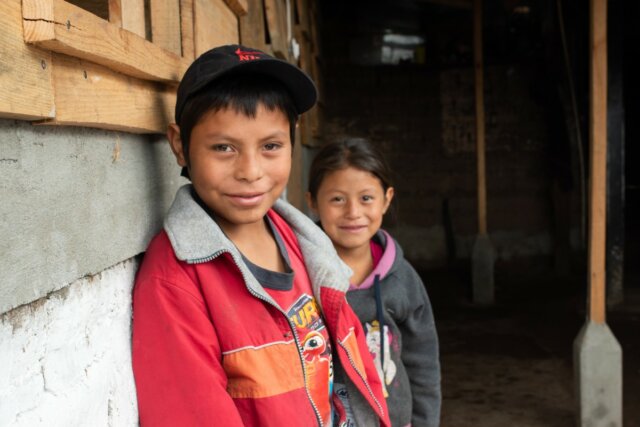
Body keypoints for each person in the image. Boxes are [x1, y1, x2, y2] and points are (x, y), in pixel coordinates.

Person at [131, 45, 390, 427]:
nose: (250, 171)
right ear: (180, 146)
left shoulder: (301, 241)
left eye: (270, 146)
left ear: (291, 139)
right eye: (223, 148)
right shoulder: (175, 282)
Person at [306, 138, 441, 427]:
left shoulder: (403, 280)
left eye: (366, 198)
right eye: (337, 199)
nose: (353, 212)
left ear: (387, 198)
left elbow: (424, 365)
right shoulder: (300, 276)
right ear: (312, 202)